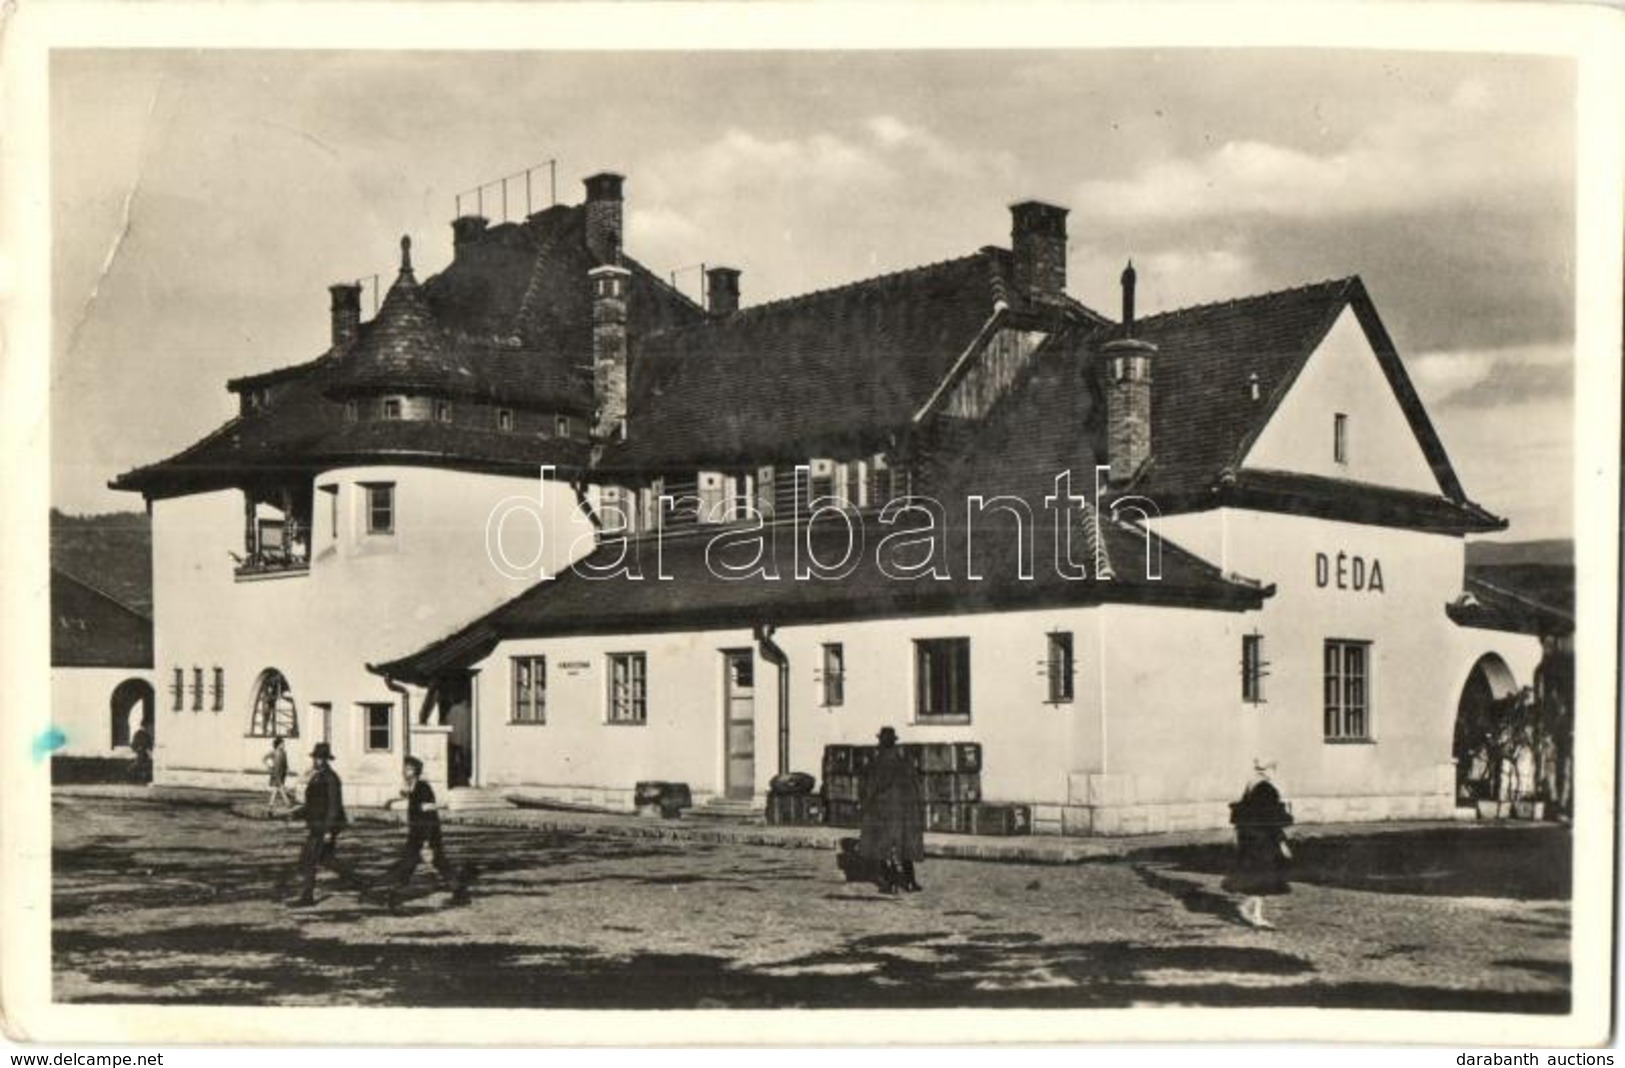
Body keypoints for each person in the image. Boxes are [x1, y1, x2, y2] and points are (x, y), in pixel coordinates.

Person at [373, 756, 469, 907]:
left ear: (416, 771)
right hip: (418, 833)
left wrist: (426, 841)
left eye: (409, 768)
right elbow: (411, 797)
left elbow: (429, 814)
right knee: (413, 863)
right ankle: (395, 894)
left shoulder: (423, 788)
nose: (405, 771)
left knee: (434, 862)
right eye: (405, 768)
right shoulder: (414, 786)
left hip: (427, 833)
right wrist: (394, 799)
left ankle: (459, 891)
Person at [1221, 760, 1294, 928]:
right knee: (1264, 877)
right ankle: (1254, 913)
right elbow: (1271, 819)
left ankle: (1251, 910)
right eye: (1273, 768)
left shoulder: (1251, 785)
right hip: (1264, 840)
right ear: (1268, 769)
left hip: (1250, 839)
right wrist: (1282, 841)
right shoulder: (1267, 789)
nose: (1274, 772)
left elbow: (1242, 813)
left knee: (1259, 877)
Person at [858, 726, 925, 894]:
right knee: (904, 846)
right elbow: (917, 787)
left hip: (883, 811)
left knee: (883, 848)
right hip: (906, 811)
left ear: (880, 742)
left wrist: (864, 807)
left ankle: (890, 884)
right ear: (895, 742)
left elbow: (869, 789)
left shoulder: (876, 764)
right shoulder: (905, 762)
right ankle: (910, 882)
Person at [288, 741, 354, 907]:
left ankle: (307, 897)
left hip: (324, 826)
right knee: (326, 859)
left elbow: (334, 806)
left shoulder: (331, 778)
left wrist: (328, 831)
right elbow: (313, 803)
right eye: (315, 757)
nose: (316, 760)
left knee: (309, 859)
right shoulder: (318, 776)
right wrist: (296, 813)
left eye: (319, 758)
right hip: (317, 825)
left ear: (325, 760)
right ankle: (359, 881)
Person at [264, 736, 294, 813]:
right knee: (280, 788)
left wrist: (287, 769)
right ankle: (288, 804)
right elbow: (264, 758)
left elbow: (285, 763)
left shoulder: (284, 752)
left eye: (283, 743)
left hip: (282, 773)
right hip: (275, 773)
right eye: (282, 743)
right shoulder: (273, 752)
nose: (283, 745)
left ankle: (270, 805)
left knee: (276, 789)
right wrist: (269, 766)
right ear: (278, 744)